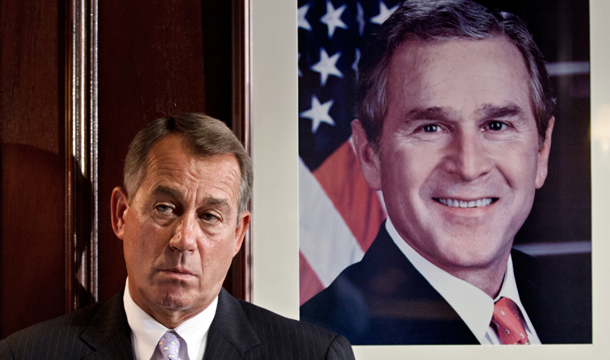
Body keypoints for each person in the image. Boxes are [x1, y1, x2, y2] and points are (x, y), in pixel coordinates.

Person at [300, 0, 591, 345]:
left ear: (542, 151)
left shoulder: (584, 304)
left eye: (496, 125)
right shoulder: (319, 341)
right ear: (369, 155)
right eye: (431, 128)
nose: (468, 167)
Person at [0, 113, 355, 359]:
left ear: (238, 234)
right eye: (165, 208)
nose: (184, 240)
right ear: (121, 214)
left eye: (210, 216)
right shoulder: (26, 354)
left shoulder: (313, 355)